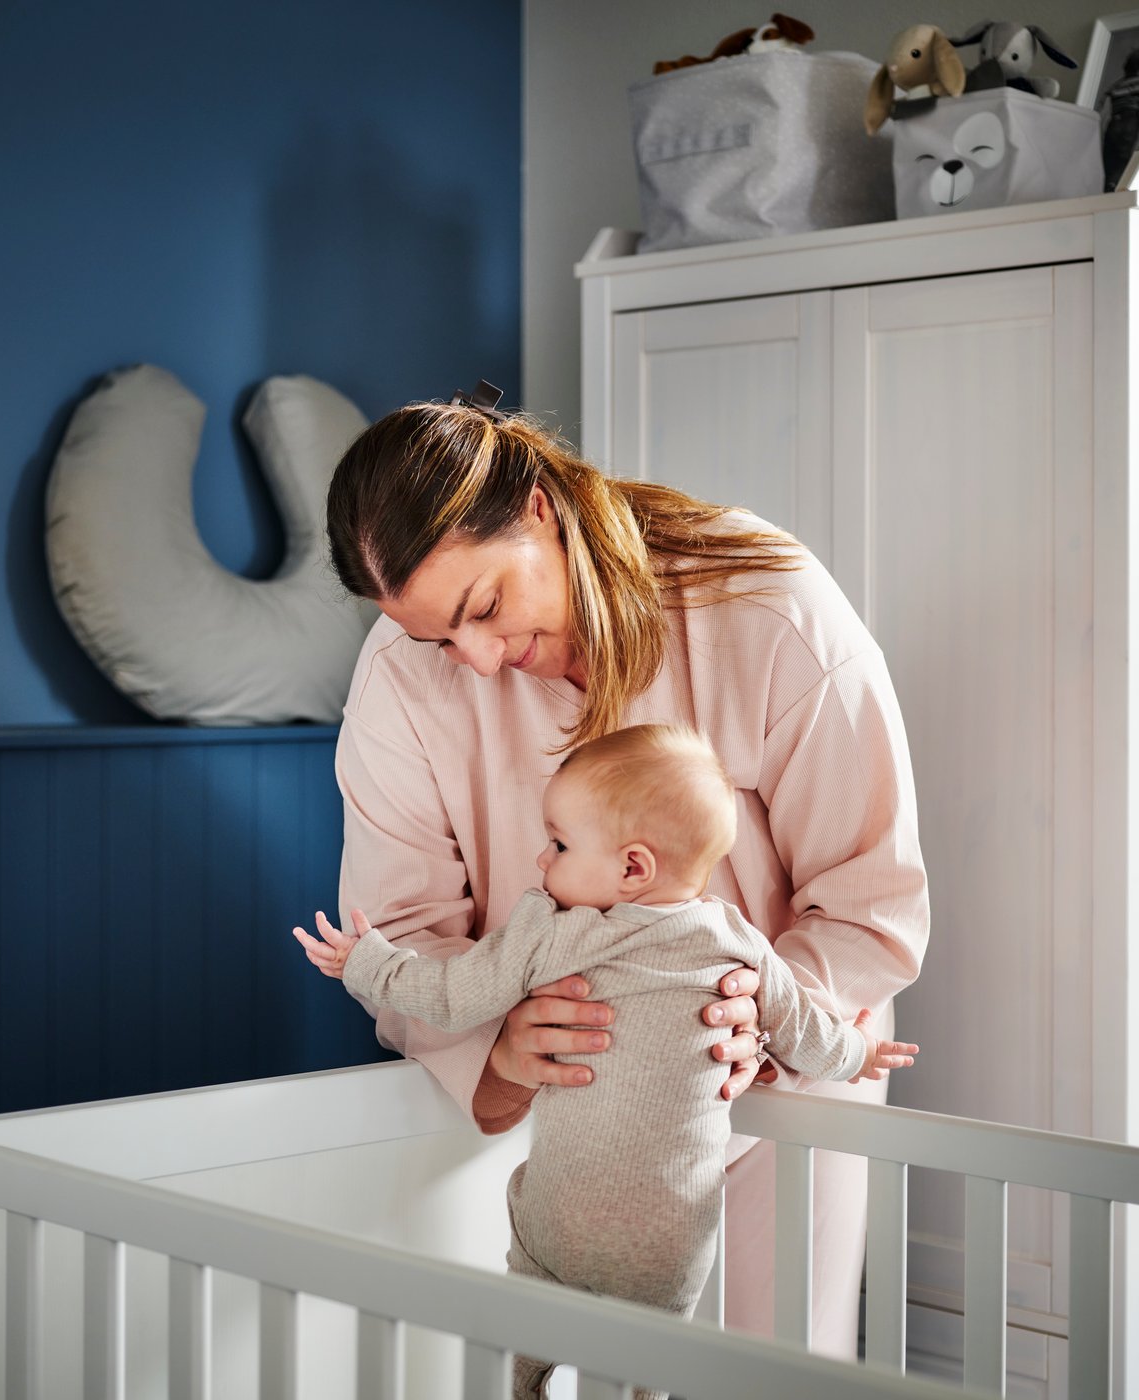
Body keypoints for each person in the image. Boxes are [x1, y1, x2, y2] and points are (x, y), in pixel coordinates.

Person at [325, 389, 929, 1354]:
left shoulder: (767, 607)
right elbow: (399, 929)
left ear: (537, 509)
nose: (474, 661)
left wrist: (766, 1015)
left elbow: (868, 893)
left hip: (772, 1078)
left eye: (485, 607)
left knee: (774, 1365)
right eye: (440, 637)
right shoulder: (402, 679)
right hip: (574, 1111)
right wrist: (502, 1049)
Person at [295, 723, 918, 1400]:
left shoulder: (553, 933)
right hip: (669, 1246)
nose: (541, 860)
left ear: (632, 867)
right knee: (645, 1376)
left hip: (554, 1226)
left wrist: (366, 963)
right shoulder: (737, 942)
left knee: (525, 1361)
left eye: (559, 844)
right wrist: (862, 1053)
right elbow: (807, 1036)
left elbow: (448, 997)